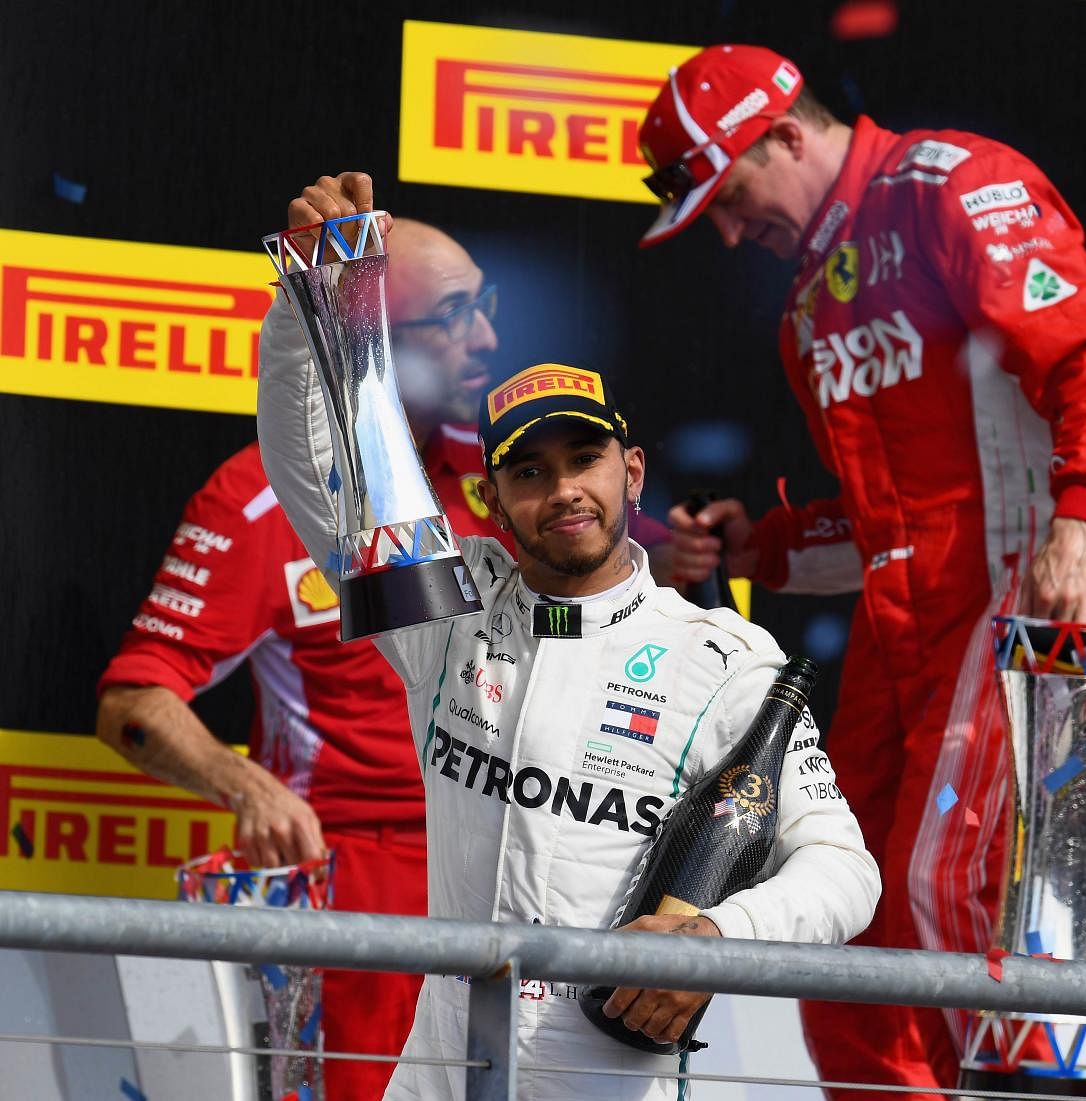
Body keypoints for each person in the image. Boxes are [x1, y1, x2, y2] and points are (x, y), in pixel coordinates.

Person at [635, 44, 1086, 1099]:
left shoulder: (952, 186)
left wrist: (1079, 523)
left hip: (1017, 598)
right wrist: (761, 549)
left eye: (730, 198)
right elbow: (884, 527)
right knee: (840, 903)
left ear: (786, 133)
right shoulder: (805, 314)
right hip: (897, 635)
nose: (733, 233)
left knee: (953, 882)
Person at [257, 207, 882, 1098]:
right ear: (491, 496)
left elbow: (843, 867)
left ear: (629, 472)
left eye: (583, 459)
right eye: (529, 472)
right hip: (438, 1079)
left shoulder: (722, 658)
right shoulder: (449, 613)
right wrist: (315, 290)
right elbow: (315, 468)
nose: (563, 492)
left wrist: (719, 936)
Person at [97, 210, 508, 1100]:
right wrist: (251, 787)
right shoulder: (260, 498)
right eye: (458, 312)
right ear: (381, 340)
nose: (489, 337)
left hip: (513, 867)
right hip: (357, 892)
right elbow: (136, 698)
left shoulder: (509, 470)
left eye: (488, 305)